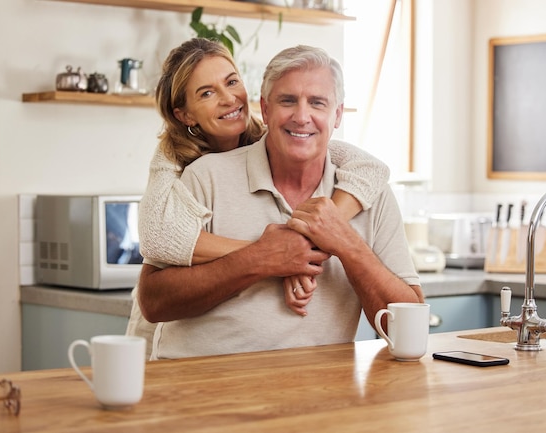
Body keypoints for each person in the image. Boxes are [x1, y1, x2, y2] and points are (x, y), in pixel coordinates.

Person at [138, 44, 423, 360]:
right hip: (201, 390)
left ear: (338, 114)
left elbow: (409, 330)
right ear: (266, 107)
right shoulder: (198, 173)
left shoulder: (366, 190)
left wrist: (344, 242)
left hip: (318, 395)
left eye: (317, 102)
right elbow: (153, 298)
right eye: (287, 100)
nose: (302, 117)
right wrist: (263, 258)